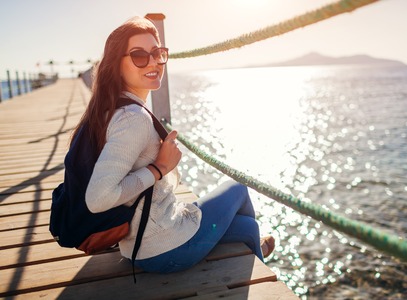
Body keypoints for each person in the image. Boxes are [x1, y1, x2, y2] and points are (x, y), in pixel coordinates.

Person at [74, 16, 274, 274]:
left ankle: (256, 251)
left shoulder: (110, 109)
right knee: (238, 188)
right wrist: (159, 168)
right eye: (139, 56)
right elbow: (98, 198)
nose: (153, 62)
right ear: (116, 64)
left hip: (139, 246)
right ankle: (263, 278)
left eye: (158, 53)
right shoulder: (132, 120)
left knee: (248, 228)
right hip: (165, 248)